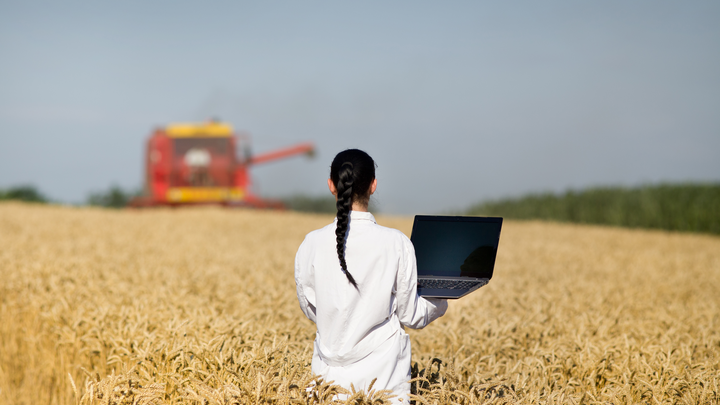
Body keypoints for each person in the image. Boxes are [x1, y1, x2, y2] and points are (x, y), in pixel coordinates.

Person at [295, 149, 448, 403]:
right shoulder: (396, 243)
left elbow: (312, 310)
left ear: (331, 185)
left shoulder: (310, 244)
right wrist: (443, 299)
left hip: (326, 385)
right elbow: (411, 315)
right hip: (384, 384)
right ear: (373, 186)